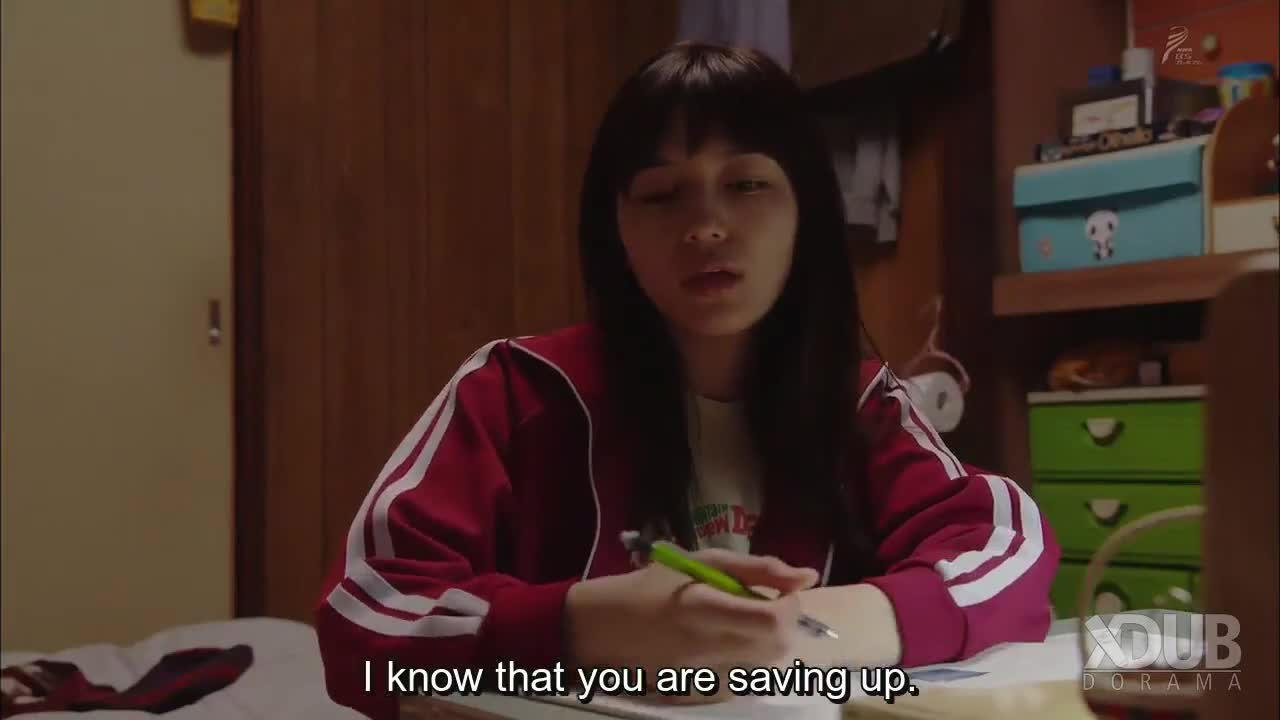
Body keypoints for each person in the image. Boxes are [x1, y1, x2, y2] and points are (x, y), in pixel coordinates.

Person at [314, 42, 1060, 719]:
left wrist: (815, 633)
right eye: (662, 194)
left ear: (806, 213)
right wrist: (583, 626)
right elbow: (363, 619)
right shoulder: (513, 390)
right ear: (616, 229)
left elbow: (1006, 546)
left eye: (748, 183)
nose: (706, 226)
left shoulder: (863, 404)